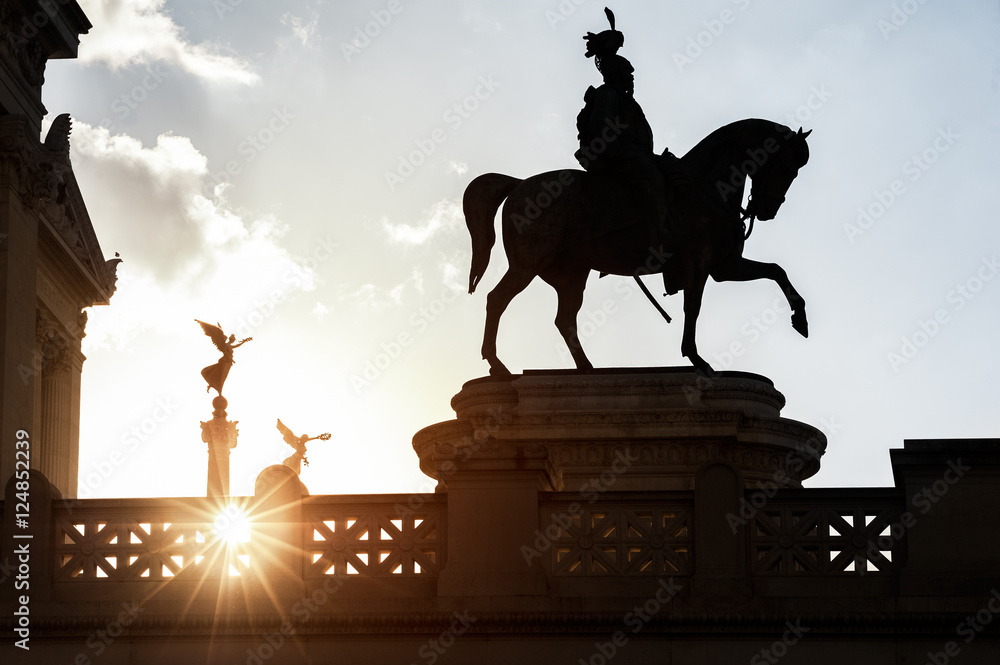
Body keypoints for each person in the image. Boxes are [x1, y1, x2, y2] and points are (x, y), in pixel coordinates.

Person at [575, 8, 671, 253]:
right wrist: (625, 153)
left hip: (636, 155)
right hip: (617, 157)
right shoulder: (607, 94)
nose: (631, 76)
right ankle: (657, 240)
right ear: (616, 72)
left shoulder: (626, 100)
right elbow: (600, 129)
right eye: (627, 72)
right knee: (652, 180)